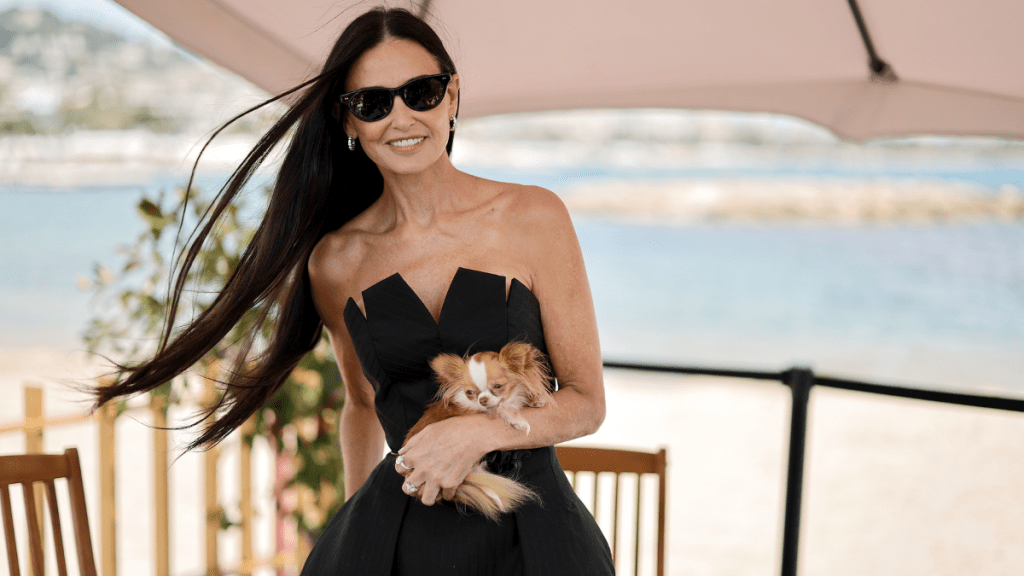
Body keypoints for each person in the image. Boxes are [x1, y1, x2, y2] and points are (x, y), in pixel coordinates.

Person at [93, 7, 614, 575]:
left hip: (535, 534)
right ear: (348, 121)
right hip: (402, 534)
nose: (401, 117)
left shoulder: (533, 216)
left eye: (421, 91)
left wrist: (477, 431)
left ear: (453, 97)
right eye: (373, 102)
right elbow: (363, 405)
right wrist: (359, 521)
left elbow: (586, 401)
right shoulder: (336, 262)